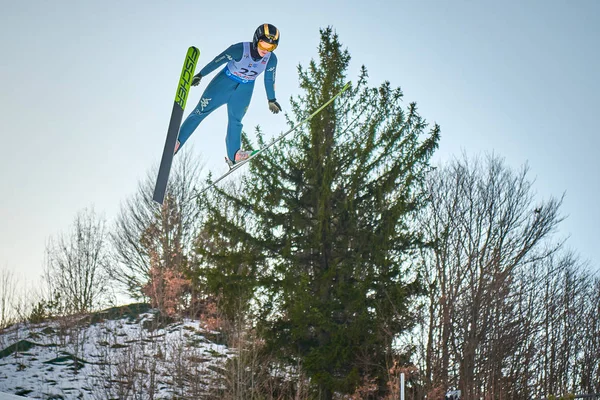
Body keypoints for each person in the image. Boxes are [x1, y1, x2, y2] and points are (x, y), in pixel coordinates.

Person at [175, 23, 282, 167]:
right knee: (200, 112)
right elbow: (218, 60)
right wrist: (201, 74)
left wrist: (271, 99)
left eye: (271, 47)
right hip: (224, 83)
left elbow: (269, 78)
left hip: (244, 89)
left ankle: (234, 155)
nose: (266, 50)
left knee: (236, 120)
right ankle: (177, 142)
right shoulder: (239, 49)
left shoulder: (271, 59)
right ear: (257, 39)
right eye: (263, 45)